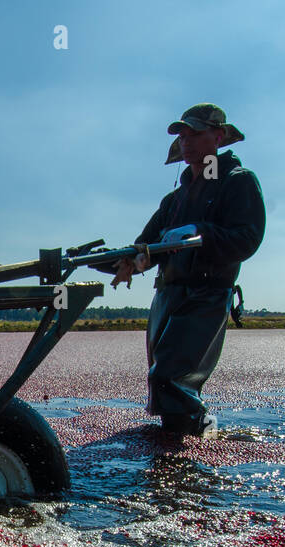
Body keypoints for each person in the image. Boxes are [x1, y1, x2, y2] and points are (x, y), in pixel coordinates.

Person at [101, 104, 265, 437]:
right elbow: (146, 250)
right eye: (183, 135)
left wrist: (200, 233)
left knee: (170, 379)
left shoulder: (238, 182)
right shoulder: (173, 200)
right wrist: (117, 261)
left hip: (206, 295)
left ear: (218, 136)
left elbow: (247, 238)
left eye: (195, 133)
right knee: (161, 386)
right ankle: (180, 441)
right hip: (168, 297)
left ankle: (192, 450)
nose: (186, 141)